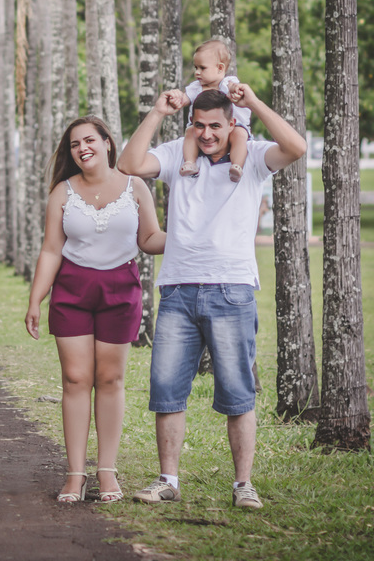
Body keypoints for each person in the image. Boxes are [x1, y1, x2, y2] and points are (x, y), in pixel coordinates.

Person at [119, 84, 306, 509]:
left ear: (231, 125)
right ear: (191, 125)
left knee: (238, 393)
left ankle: (244, 485)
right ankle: (168, 480)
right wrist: (156, 111)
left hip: (231, 290)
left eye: (215, 126)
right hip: (179, 292)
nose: (206, 134)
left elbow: (295, 146)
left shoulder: (254, 157)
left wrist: (253, 102)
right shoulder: (175, 155)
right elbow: (129, 163)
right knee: (167, 391)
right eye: (199, 126)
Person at [23, 117, 165, 504]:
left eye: (89, 140)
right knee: (74, 378)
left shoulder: (135, 187)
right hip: (72, 291)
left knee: (110, 378)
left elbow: (150, 239)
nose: (82, 148)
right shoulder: (62, 193)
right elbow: (51, 249)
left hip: (121, 290)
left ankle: (106, 472)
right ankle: (75, 474)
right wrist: (36, 299)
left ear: (107, 143)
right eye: (74, 144)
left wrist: (192, 233)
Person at [178, 39, 251, 182]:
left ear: (220, 68)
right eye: (195, 67)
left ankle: (237, 165)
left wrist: (236, 90)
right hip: (200, 129)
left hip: (234, 127)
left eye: (202, 68)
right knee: (189, 132)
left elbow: (233, 87)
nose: (197, 72)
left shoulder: (227, 83)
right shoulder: (196, 87)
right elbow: (185, 99)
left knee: (240, 135)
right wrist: (177, 98)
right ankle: (190, 162)